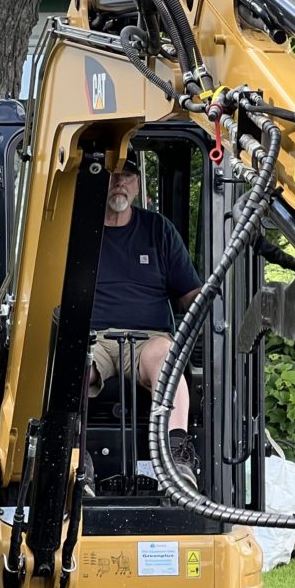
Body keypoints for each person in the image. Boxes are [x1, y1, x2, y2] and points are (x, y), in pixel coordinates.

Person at [89, 150, 203, 485]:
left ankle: (177, 457)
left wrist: (214, 299)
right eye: (112, 173)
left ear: (137, 185)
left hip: (148, 341)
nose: (119, 181)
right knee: (74, 366)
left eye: (128, 175)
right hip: (94, 338)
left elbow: (191, 294)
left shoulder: (159, 231)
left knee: (166, 357)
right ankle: (75, 459)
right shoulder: (78, 231)